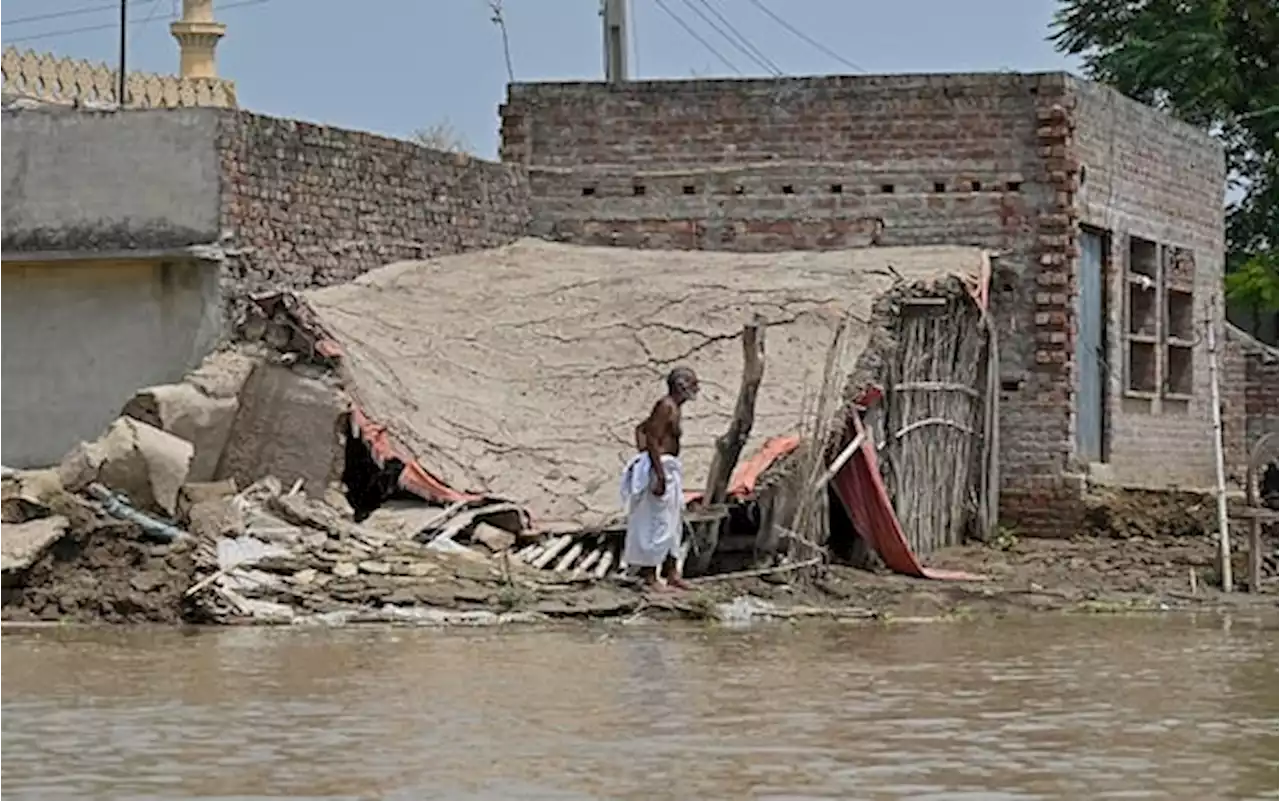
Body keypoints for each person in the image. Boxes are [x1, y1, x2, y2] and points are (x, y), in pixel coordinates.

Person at [620, 366, 700, 591]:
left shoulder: (675, 408)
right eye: (693, 384)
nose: (697, 389)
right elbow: (652, 438)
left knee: (672, 524)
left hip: (669, 468)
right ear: (681, 385)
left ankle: (672, 573)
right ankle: (650, 576)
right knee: (655, 523)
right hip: (661, 468)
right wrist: (659, 474)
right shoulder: (665, 406)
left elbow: (642, 428)